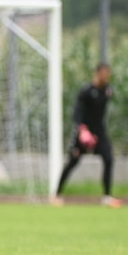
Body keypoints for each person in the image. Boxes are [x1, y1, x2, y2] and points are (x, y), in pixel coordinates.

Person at [52, 63, 122, 208]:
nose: (106, 76)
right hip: (84, 132)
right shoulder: (86, 91)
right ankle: (57, 195)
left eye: (108, 74)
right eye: (103, 73)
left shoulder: (108, 90)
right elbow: (77, 112)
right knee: (72, 162)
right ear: (97, 74)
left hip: (99, 133)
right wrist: (82, 130)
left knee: (108, 159)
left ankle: (107, 197)